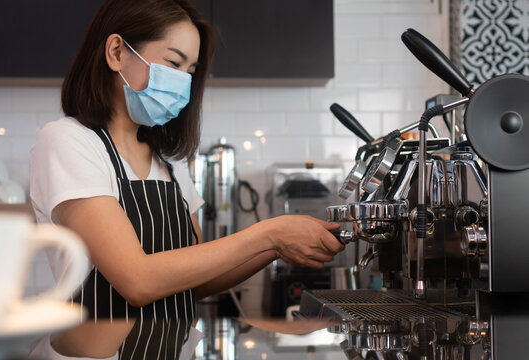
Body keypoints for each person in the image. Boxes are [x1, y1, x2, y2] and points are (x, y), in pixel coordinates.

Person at [28, 0, 344, 359]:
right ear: (117, 51)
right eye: (173, 63)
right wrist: (267, 233)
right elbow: (137, 280)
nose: (183, 81)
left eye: (190, 70)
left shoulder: (169, 161)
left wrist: (280, 245)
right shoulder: (68, 141)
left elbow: (196, 279)